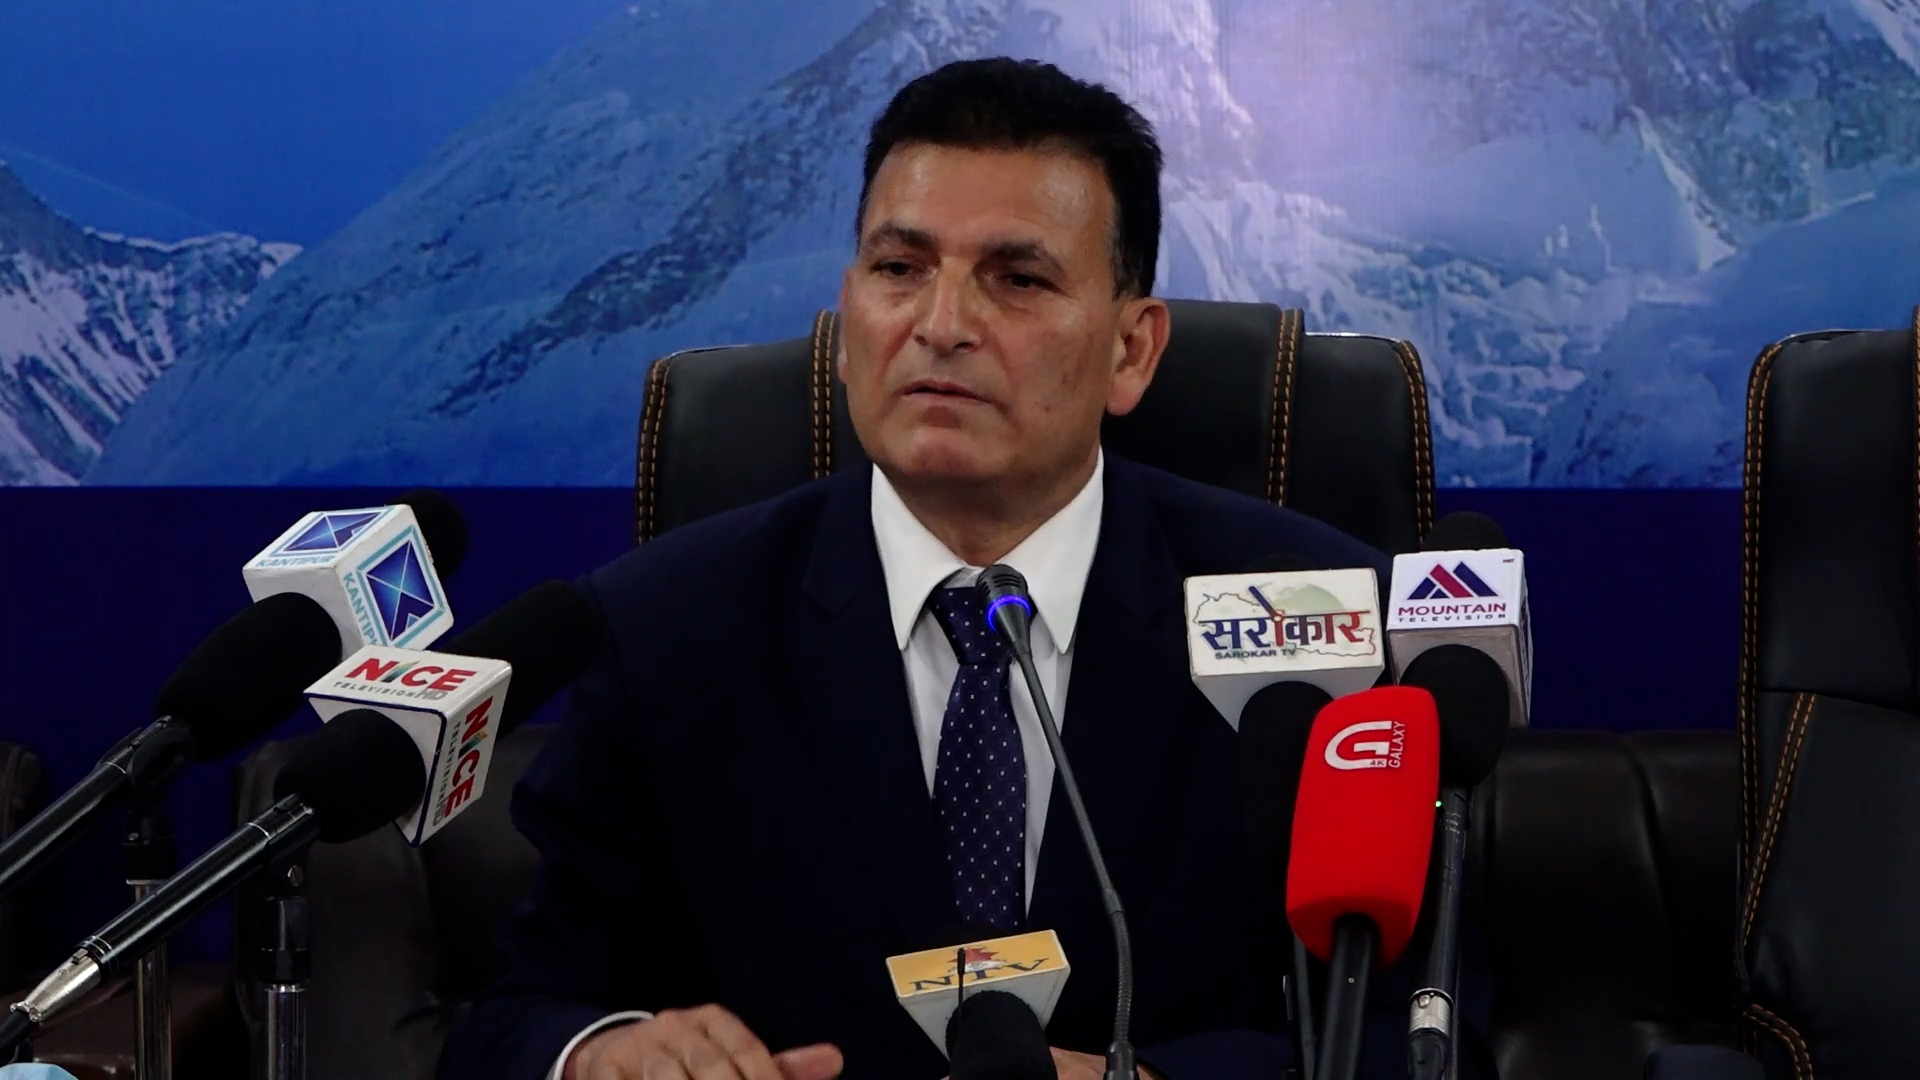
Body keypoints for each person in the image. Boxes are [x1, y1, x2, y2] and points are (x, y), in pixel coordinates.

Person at [442, 57, 1386, 1080]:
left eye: (1018, 280)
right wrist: (599, 1057)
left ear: (1131, 351)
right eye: (900, 269)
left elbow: (1419, 1030)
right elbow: (518, 1015)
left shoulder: (1319, 623)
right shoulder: (668, 628)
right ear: (849, 320)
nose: (940, 325)